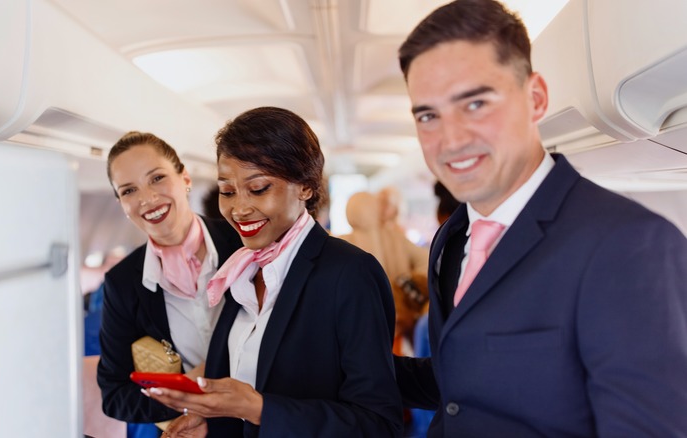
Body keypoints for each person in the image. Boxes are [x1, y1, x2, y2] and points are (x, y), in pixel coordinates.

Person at [393, 0, 687, 436]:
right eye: (428, 115)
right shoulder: (452, 238)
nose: (450, 139)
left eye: (475, 104)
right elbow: (461, 382)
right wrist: (329, 368)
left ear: (535, 98)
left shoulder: (630, 245)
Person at [143, 106, 403, 437]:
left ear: (306, 187)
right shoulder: (242, 270)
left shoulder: (349, 273)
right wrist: (211, 424)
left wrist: (260, 409)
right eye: (227, 190)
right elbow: (244, 387)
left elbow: (378, 424)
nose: (238, 208)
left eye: (259, 188)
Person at [96, 131, 242, 428]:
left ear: (185, 179)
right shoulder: (122, 283)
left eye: (157, 178)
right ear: (122, 205)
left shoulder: (242, 241)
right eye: (128, 191)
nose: (147, 199)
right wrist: (184, 396)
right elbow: (115, 395)